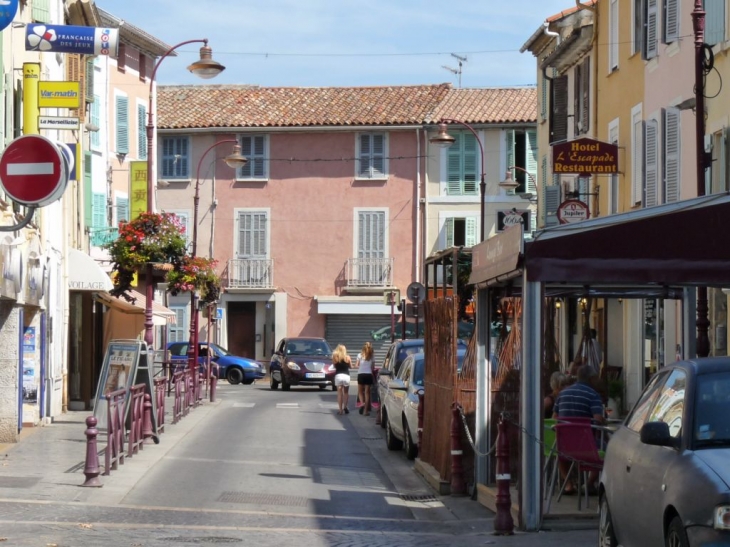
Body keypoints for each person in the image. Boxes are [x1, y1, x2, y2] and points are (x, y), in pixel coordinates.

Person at [553, 364, 606, 495]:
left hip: (564, 445)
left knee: (560, 450)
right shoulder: (593, 395)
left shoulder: (562, 394)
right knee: (608, 450)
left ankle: (569, 484)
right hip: (587, 446)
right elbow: (598, 420)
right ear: (592, 378)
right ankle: (588, 484)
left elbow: (554, 418)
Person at [356, 342, 375, 416]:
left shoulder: (359, 355)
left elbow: (357, 365)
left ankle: (362, 403)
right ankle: (366, 411)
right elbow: (373, 368)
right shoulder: (372, 356)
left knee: (360, 391)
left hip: (361, 374)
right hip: (368, 375)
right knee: (367, 393)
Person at [332, 344, 352, 415]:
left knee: (339, 393)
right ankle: (345, 407)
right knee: (346, 393)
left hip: (338, 376)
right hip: (346, 376)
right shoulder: (348, 357)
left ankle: (340, 410)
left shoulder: (335, 357)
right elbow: (351, 367)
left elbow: (334, 366)